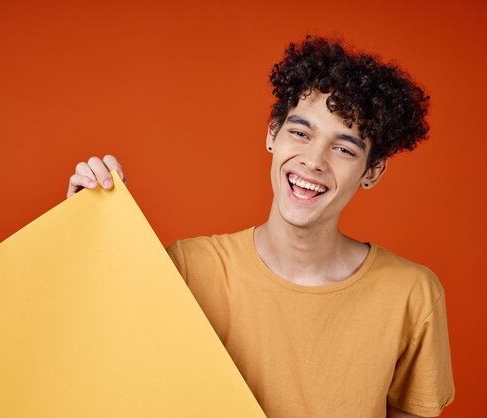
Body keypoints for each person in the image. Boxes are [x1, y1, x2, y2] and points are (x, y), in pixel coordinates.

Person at [66, 36, 455, 418]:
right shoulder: (188, 268)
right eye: (300, 133)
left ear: (372, 171)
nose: (313, 161)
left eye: (344, 148)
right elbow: (100, 361)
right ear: (273, 134)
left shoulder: (411, 294)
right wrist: (88, 227)